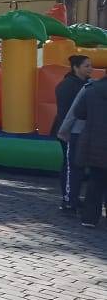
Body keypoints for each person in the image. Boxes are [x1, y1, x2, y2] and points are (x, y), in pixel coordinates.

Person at [61, 75, 107, 228]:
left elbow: (79, 113)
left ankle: (89, 219)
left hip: (95, 141)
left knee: (95, 180)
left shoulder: (91, 89)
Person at [53, 55, 94, 211]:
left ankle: (72, 197)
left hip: (79, 131)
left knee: (76, 165)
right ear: (76, 67)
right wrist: (67, 131)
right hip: (69, 131)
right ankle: (68, 198)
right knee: (70, 166)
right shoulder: (67, 86)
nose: (90, 68)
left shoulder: (86, 84)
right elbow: (65, 113)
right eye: (86, 66)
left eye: (90, 65)